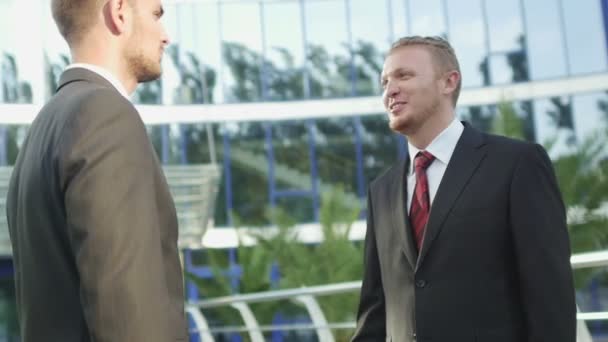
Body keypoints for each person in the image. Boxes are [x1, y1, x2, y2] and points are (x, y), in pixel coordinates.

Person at [351, 36, 576, 341]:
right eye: (385, 82)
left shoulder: (517, 164)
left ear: (449, 82)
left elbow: (549, 296)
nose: (389, 91)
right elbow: (375, 311)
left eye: (404, 76)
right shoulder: (382, 191)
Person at [6, 0, 187, 341]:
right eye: (156, 14)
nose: (165, 36)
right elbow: (126, 313)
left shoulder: (42, 130)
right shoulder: (105, 115)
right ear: (119, 12)